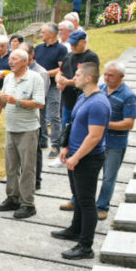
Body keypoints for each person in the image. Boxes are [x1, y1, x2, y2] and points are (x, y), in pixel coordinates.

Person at [52, 62, 109, 260]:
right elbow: (74, 123)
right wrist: (66, 147)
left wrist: (76, 156)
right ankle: (75, 229)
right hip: (74, 155)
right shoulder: (82, 97)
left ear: (88, 78)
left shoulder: (99, 103)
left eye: (76, 75)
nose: (73, 78)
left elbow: (94, 136)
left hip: (87, 159)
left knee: (86, 201)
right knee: (77, 195)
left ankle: (86, 246)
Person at [0, 49, 45, 219]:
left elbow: (40, 103)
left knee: (27, 167)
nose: (10, 62)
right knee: (11, 166)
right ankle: (12, 198)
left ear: (25, 62)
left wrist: (18, 102)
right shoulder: (8, 78)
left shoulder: (35, 78)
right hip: (11, 128)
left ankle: (28, 204)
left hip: (28, 129)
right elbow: (3, 103)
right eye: (10, 59)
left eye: (14, 59)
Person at [54, 30, 99, 191]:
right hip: (68, 100)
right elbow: (61, 71)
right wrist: (60, 79)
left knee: (81, 131)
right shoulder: (69, 55)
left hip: (83, 99)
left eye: (75, 43)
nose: (72, 46)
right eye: (71, 43)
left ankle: (78, 155)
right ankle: (64, 154)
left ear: (84, 42)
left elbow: (88, 79)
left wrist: (68, 81)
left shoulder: (91, 57)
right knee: (66, 128)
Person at [96, 62, 136, 220]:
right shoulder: (100, 89)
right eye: (105, 74)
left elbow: (129, 123)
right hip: (96, 141)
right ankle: (78, 201)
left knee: (108, 177)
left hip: (115, 144)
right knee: (88, 173)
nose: (106, 78)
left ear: (121, 76)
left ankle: (102, 206)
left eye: (111, 75)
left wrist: (103, 125)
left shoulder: (128, 95)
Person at [33, 22, 67, 158]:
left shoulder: (61, 49)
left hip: (53, 85)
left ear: (52, 34)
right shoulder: (39, 48)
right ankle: (42, 140)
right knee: (39, 113)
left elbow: (62, 68)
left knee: (53, 115)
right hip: (39, 85)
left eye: (43, 32)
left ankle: (55, 145)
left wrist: (45, 73)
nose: (41, 34)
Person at [25, 44, 51, 189]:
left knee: (35, 149)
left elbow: (41, 99)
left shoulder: (41, 73)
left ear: (31, 55)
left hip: (36, 116)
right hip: (21, 118)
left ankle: (36, 180)